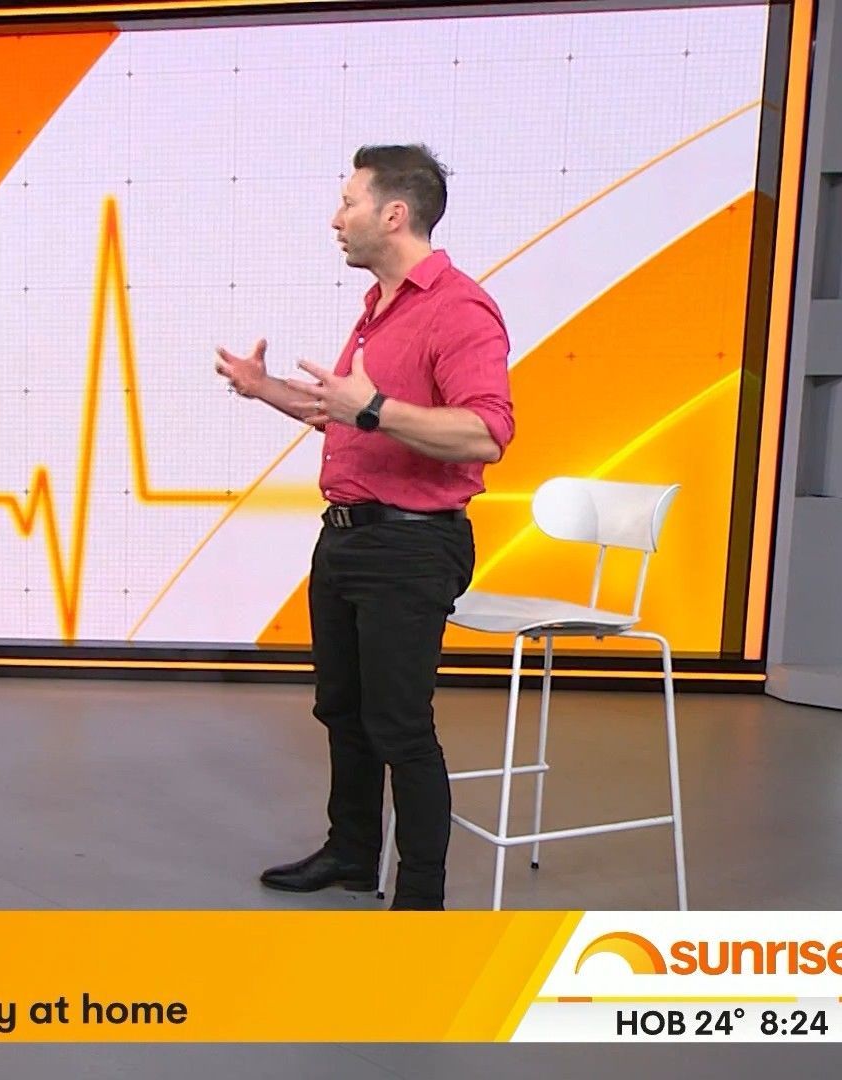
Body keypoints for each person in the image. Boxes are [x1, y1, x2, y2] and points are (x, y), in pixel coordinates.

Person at [215, 144, 514, 910]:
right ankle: (352, 853)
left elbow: (486, 433)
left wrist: (373, 408)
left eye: (348, 203)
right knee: (342, 711)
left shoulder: (459, 308)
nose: (335, 219)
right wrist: (264, 389)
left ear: (394, 214)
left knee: (399, 725)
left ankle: (420, 898)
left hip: (412, 544)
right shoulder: (380, 309)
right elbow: (343, 415)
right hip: (347, 537)